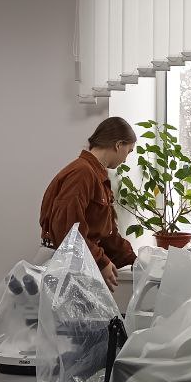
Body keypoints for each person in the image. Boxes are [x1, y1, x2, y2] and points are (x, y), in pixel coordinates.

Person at [39, 117, 138, 290]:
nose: (125, 159)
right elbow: (67, 229)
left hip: (78, 264)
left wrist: (134, 260)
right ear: (118, 145)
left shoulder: (96, 176)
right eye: (129, 151)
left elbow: (107, 233)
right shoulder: (82, 173)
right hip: (65, 267)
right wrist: (101, 261)